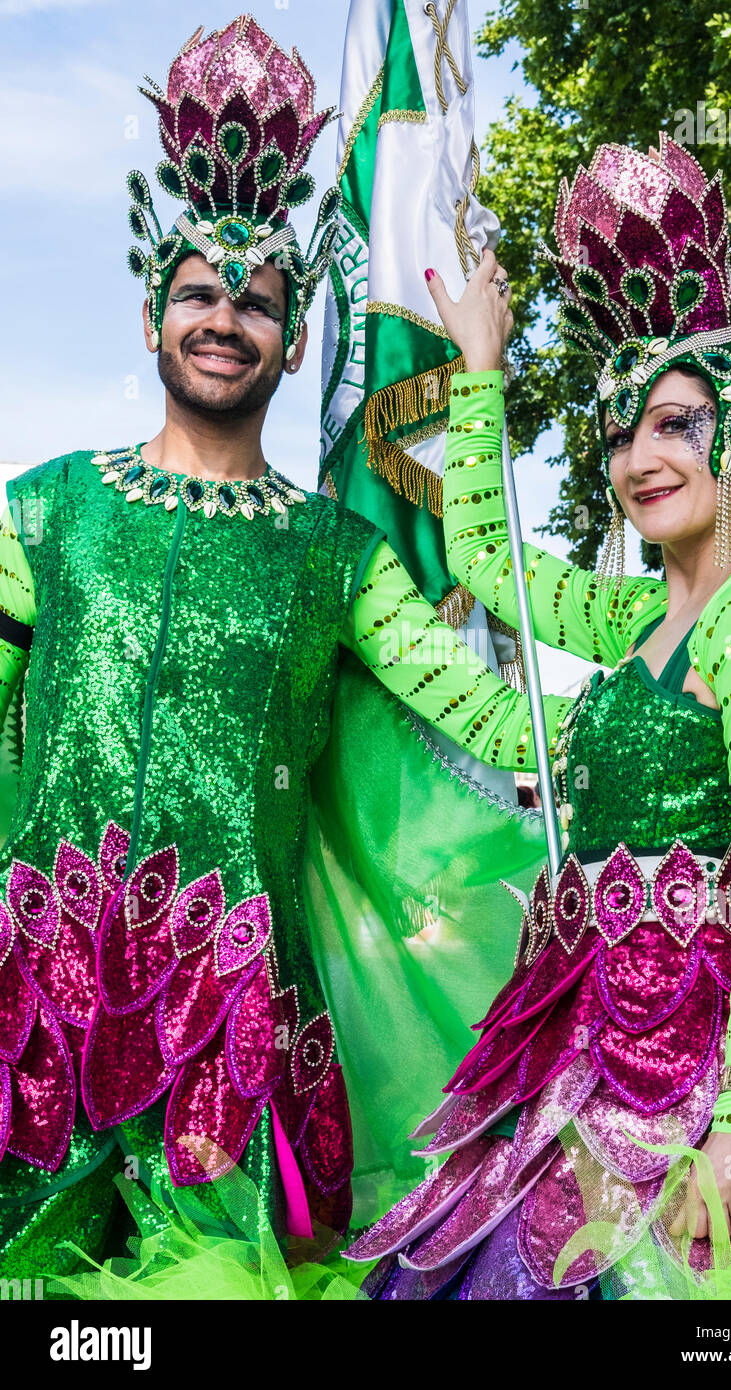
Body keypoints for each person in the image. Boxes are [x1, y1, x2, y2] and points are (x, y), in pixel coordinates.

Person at [0, 16, 570, 1292]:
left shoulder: (337, 555)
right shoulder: (39, 509)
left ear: (297, 339)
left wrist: (658, 718)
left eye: (256, 301)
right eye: (199, 293)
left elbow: (475, 704)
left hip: (235, 1045)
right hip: (30, 1013)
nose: (225, 319)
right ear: (153, 316)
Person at [345, 134, 731, 1299]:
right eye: (621, 429)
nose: (638, 456)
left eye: (675, 424)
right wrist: (478, 371)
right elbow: (485, 559)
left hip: (698, 1072)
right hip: (584, 1037)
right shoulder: (640, 609)